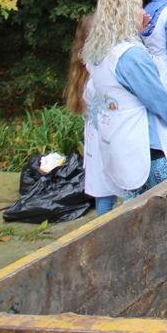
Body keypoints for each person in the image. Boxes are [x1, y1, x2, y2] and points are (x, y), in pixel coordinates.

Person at [82, 0, 167, 198]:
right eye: (138, 7)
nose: (143, 13)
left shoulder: (98, 54)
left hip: (117, 144)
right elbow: (159, 100)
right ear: (126, 12)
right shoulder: (130, 56)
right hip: (146, 148)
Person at [65, 13, 120, 216]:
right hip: (106, 139)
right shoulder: (98, 75)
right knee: (109, 193)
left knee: (104, 192)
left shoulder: (84, 68)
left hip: (95, 139)